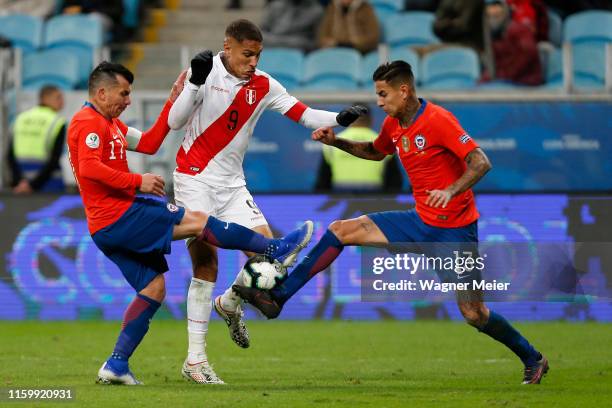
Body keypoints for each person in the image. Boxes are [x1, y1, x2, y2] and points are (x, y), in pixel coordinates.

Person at [234, 60, 550, 385]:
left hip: (454, 232)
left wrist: (451, 190)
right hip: (418, 222)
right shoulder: (393, 125)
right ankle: (278, 297)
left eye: (383, 95)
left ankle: (533, 358)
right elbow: (375, 152)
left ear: (404, 90)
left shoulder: (439, 120)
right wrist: (335, 142)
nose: (380, 102)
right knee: (341, 231)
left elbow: (480, 161)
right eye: (377, 95)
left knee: (473, 313)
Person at [67, 61, 314, 385]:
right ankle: (274, 247)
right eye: (123, 93)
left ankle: (116, 365)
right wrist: (136, 180)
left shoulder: (111, 125)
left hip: (106, 227)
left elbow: (152, 142)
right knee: (198, 223)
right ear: (101, 92)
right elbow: (88, 169)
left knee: (153, 289)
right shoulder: (87, 122)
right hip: (121, 216)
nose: (128, 100)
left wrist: (172, 101)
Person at [167, 18, 367, 384]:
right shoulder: (202, 70)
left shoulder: (264, 85)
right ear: (227, 47)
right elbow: (176, 121)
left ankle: (229, 302)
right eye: (247, 54)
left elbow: (304, 114)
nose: (254, 61)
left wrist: (339, 118)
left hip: (232, 185)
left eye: (258, 54)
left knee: (272, 259)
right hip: (194, 178)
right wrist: (194, 82)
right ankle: (195, 360)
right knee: (205, 263)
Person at [315, 104, 402, 192]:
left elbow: (323, 181)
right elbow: (394, 180)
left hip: (341, 197)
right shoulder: (384, 142)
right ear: (371, 120)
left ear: (347, 120)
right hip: (374, 198)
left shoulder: (331, 143)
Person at [7, 85, 66, 194]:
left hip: (20, 185)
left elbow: (10, 155)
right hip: (48, 186)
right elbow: (54, 159)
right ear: (44, 98)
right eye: (58, 97)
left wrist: (21, 182)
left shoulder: (21, 118)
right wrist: (32, 185)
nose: (63, 101)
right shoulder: (57, 122)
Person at [482, 0, 543, 86]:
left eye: (497, 15)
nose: (493, 10)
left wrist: (502, 75)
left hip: (525, 84)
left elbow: (527, 55)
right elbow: (493, 66)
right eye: (490, 16)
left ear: (506, 11)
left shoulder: (520, 30)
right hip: (503, 82)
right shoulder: (491, 35)